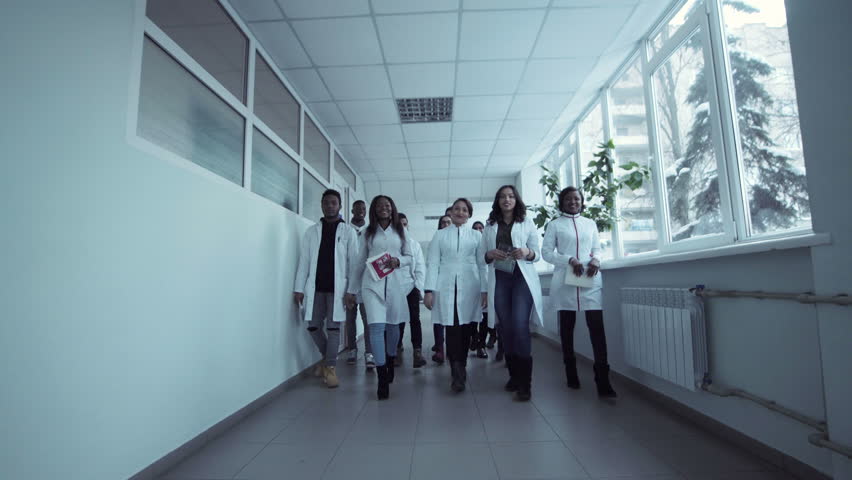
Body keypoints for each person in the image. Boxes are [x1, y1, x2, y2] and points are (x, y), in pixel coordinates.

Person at [542, 186, 617, 398]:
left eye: (576, 199)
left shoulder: (590, 223)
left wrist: (596, 259)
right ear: (562, 202)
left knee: (597, 330)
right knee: (567, 330)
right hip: (566, 282)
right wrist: (569, 259)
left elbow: (598, 248)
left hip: (589, 279)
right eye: (568, 199)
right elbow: (546, 253)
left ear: (582, 201)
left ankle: (603, 380)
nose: (573, 202)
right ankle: (571, 373)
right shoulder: (555, 225)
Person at [346, 196, 411, 400]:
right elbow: (358, 263)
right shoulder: (367, 232)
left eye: (387, 205)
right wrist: (351, 290)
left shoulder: (401, 230)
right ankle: (382, 377)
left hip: (395, 285)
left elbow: (410, 257)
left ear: (392, 208)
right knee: (375, 328)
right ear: (374, 210)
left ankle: (390, 360)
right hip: (371, 285)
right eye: (380, 206)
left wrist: (397, 260)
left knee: (393, 328)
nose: (384, 208)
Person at [482, 185, 543, 401]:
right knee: (505, 328)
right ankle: (513, 376)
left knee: (519, 325)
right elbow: (482, 256)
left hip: (521, 279)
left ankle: (525, 384)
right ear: (497, 201)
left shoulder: (526, 222)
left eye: (510, 196)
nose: (506, 200)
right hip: (500, 278)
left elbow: (538, 254)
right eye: (502, 197)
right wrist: (489, 253)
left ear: (516, 200)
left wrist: (527, 251)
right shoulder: (490, 226)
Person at [293, 189, 358, 388]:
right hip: (316, 287)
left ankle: (330, 367)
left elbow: (353, 263)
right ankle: (326, 358)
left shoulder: (348, 231)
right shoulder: (312, 232)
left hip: (338, 288)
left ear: (339, 206)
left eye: (333, 203)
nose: (329, 206)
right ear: (321, 205)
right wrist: (298, 288)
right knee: (312, 325)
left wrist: (351, 290)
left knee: (333, 327)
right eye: (326, 203)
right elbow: (304, 261)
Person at [424, 198, 487, 392]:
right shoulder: (440, 235)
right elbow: (433, 263)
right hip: (445, 286)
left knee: (467, 328)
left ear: (469, 214)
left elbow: (482, 264)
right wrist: (428, 290)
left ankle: (462, 364)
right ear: (450, 212)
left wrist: (485, 289)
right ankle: (456, 370)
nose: (460, 212)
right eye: (456, 209)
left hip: (470, 286)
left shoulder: (477, 236)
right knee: (451, 329)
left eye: (464, 210)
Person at [343, 200, 375, 370]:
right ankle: (352, 350)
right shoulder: (345, 229)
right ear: (352, 210)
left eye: (364, 209)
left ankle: (369, 352)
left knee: (367, 318)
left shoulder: (370, 231)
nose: (361, 211)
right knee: (350, 318)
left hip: (365, 281)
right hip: (348, 280)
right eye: (358, 208)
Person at [396, 213, 427, 368]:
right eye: (399, 224)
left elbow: (420, 266)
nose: (403, 227)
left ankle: (417, 352)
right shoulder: (390, 243)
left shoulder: (414, 244)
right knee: (397, 320)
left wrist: (418, 287)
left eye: (405, 224)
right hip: (394, 288)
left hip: (411, 287)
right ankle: (396, 347)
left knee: (415, 319)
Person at [470, 221, 495, 359]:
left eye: (481, 228)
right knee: (473, 315)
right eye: (475, 228)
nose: (478, 230)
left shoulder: (489, 242)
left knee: (485, 316)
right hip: (473, 282)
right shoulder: (469, 244)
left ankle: (481, 345)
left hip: (488, 281)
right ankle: (474, 337)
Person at [431, 214, 452, 364]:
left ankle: (451, 348)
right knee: (438, 318)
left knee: (452, 318)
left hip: (455, 285)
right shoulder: (437, 239)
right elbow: (431, 263)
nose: (445, 224)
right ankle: (440, 349)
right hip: (439, 284)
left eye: (448, 222)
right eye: (443, 222)